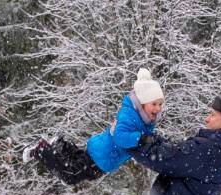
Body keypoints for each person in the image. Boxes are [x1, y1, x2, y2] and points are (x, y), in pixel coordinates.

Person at [22, 68, 164, 185]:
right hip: (101, 156)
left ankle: (61, 144)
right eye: (154, 104)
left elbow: (144, 138)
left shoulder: (143, 119)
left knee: (75, 162)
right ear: (143, 102)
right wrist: (141, 138)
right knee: (69, 176)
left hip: (101, 155)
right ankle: (41, 150)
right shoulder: (130, 115)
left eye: (160, 104)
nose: (158, 108)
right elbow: (120, 136)